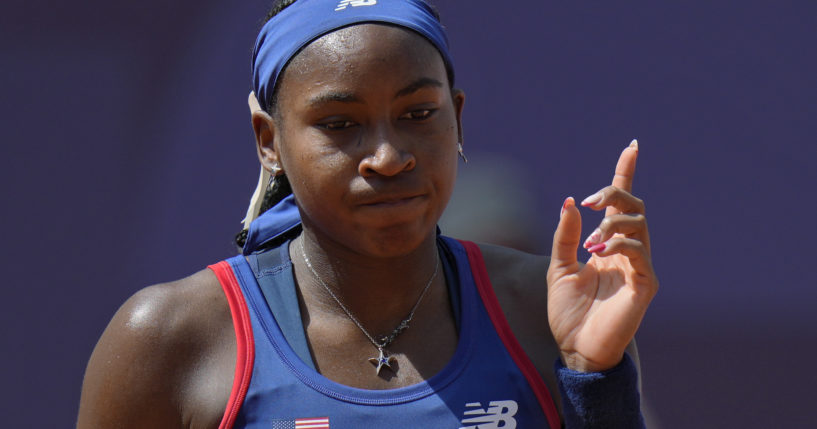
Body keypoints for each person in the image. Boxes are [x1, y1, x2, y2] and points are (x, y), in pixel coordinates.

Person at [77, 0, 658, 427]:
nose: (388, 156)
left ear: (456, 117)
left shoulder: (546, 310)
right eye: (340, 124)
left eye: (418, 113)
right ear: (268, 140)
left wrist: (596, 378)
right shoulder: (169, 339)